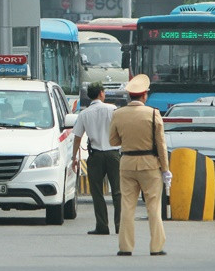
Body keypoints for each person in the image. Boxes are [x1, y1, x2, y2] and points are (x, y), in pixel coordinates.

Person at [108, 73, 169, 256]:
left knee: (127, 206)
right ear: (144, 95)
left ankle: (125, 247)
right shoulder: (153, 114)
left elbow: (112, 141)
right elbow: (161, 144)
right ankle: (156, 247)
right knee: (153, 206)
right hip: (150, 164)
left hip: (126, 163)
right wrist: (165, 169)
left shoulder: (118, 114)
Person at [70, 82, 121, 235]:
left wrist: (74, 157)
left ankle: (102, 225)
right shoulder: (113, 109)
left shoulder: (84, 114)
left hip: (96, 156)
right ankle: (120, 226)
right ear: (101, 93)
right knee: (118, 192)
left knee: (97, 192)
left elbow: (77, 138)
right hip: (113, 155)